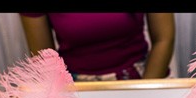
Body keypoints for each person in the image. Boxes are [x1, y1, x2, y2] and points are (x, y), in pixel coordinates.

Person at [19, 13, 175, 81]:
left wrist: (145, 90)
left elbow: (164, 39)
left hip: (142, 76)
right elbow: (44, 58)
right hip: (73, 85)